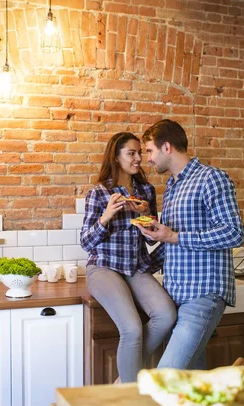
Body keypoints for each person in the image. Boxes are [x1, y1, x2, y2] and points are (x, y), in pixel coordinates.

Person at [137, 119, 244, 370]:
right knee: (191, 385)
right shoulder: (172, 186)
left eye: (150, 151)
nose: (148, 159)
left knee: (167, 378)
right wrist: (155, 237)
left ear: (167, 147)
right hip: (177, 296)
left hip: (203, 294)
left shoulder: (212, 178)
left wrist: (173, 236)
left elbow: (233, 233)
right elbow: (173, 242)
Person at [80, 132, 177, 383]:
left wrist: (147, 216)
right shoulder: (99, 193)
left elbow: (151, 238)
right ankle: (131, 392)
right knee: (132, 329)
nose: (138, 159)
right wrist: (107, 216)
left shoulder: (146, 190)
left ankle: (123, 382)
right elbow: (86, 243)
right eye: (131, 153)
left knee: (167, 315)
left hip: (136, 268)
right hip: (103, 268)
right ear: (116, 156)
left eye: (140, 153)